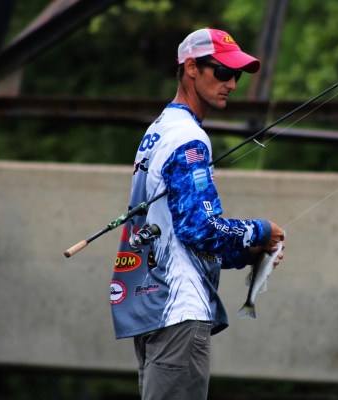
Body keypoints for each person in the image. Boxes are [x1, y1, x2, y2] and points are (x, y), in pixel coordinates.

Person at [109, 28, 285, 400]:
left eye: (236, 76)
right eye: (223, 72)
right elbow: (200, 228)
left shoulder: (158, 130)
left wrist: (246, 252)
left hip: (152, 303)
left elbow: (178, 231)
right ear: (191, 68)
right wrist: (260, 230)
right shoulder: (189, 138)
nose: (232, 84)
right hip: (179, 310)